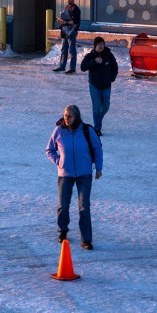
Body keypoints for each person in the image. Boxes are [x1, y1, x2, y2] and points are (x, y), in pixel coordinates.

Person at [45, 104, 103, 249]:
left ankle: (86, 239)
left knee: (84, 207)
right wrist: (59, 161)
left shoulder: (87, 130)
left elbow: (97, 149)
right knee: (63, 205)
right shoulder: (59, 131)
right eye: (65, 115)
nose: (66, 118)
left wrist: (98, 168)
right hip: (65, 174)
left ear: (76, 117)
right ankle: (62, 231)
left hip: (84, 174)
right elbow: (49, 150)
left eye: (69, 116)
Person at [79, 36, 118, 136]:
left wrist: (112, 78)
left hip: (106, 86)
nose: (101, 46)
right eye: (99, 44)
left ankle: (97, 120)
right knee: (97, 107)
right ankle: (97, 128)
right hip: (94, 86)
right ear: (95, 46)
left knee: (105, 107)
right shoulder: (90, 56)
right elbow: (82, 67)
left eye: (103, 44)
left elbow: (115, 67)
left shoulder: (109, 55)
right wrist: (94, 61)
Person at [52, 0, 81, 74]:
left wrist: (66, 22)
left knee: (72, 50)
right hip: (65, 31)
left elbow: (76, 21)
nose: (68, 0)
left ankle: (72, 68)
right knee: (64, 50)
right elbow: (66, 18)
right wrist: (61, 21)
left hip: (72, 31)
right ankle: (62, 67)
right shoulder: (66, 7)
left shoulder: (76, 9)